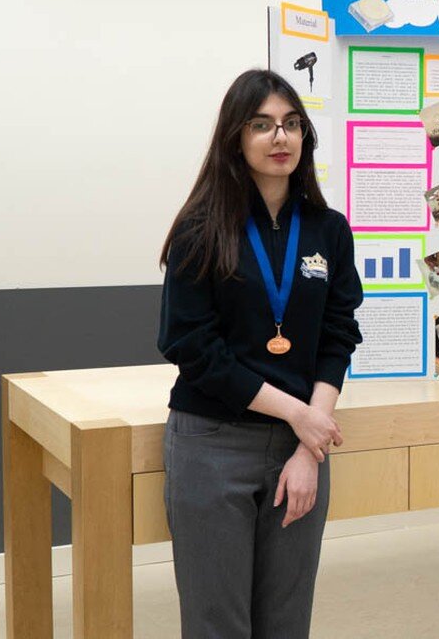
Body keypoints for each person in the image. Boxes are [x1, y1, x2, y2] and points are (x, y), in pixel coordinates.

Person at [158, 69, 362, 638]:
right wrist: (301, 415)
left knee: (286, 622)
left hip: (299, 447)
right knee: (217, 622)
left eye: (292, 125)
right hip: (213, 443)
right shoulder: (200, 229)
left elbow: (338, 333)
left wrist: (309, 441)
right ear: (236, 138)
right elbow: (191, 347)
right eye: (263, 125)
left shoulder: (329, 230)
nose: (281, 138)